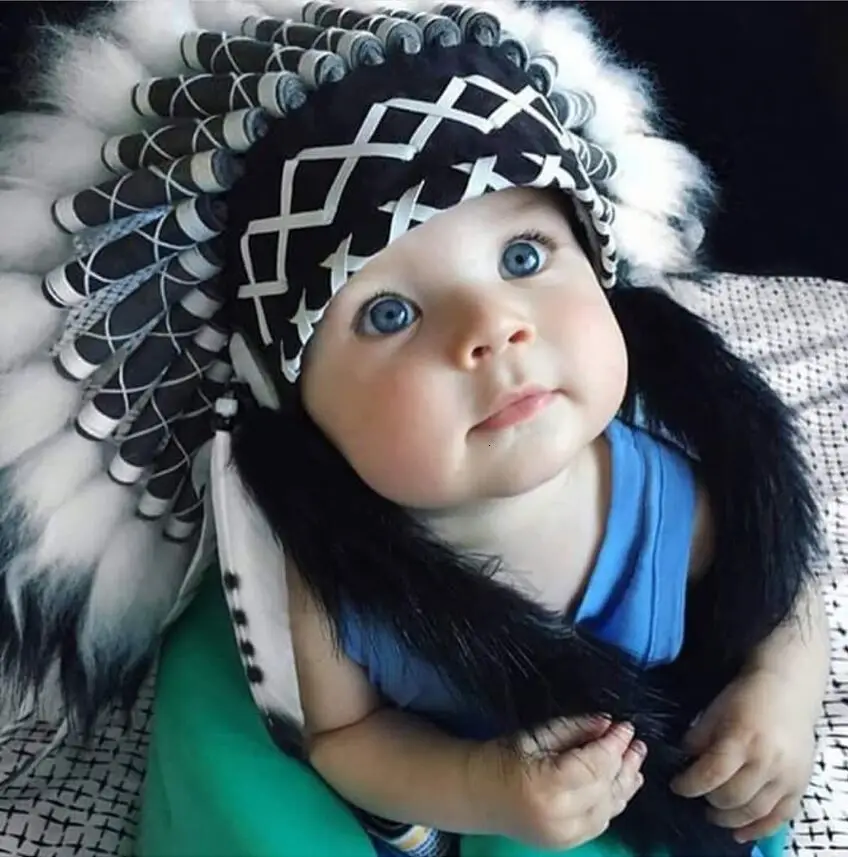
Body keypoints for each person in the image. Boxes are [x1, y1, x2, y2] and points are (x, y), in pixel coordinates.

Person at [0, 2, 828, 856]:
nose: (492, 327)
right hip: (440, 782)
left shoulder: (667, 503)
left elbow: (784, 584)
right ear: (303, 404)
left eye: (523, 256)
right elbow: (346, 738)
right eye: (389, 312)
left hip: (605, 765)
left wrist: (781, 692)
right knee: (246, 776)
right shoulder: (326, 575)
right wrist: (482, 785)